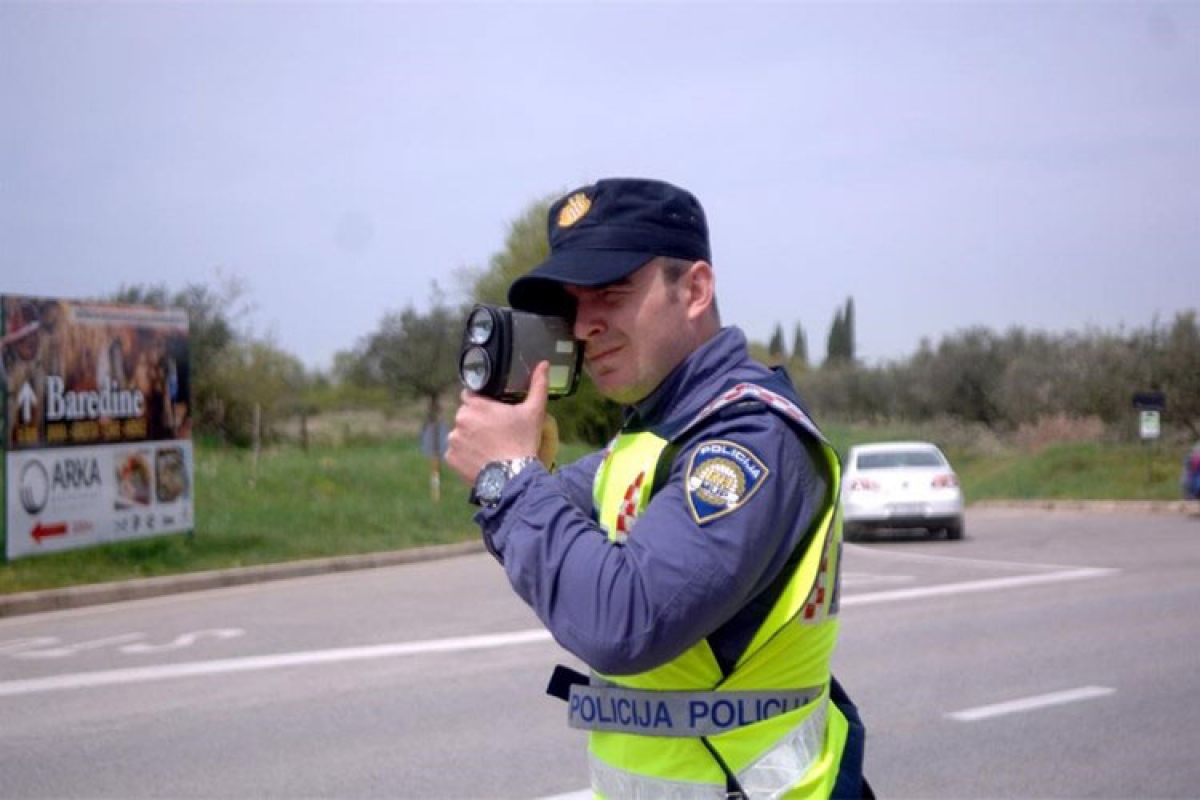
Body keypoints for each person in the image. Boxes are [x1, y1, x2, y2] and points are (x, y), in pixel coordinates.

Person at [447, 178, 869, 798]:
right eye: (573, 305)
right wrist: (516, 471)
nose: (584, 326)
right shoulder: (654, 434)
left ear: (694, 290)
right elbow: (545, 537)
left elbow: (622, 622)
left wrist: (510, 480)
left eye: (611, 292)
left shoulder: (748, 438)